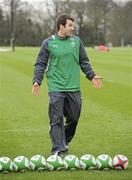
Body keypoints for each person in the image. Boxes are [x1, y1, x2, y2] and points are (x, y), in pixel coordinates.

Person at [32, 15, 102, 157]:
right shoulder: (48, 43)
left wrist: (91, 76)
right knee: (56, 119)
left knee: (74, 118)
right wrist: (37, 81)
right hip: (56, 87)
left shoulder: (76, 42)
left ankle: (64, 141)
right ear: (61, 26)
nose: (73, 28)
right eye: (70, 25)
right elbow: (40, 63)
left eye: (72, 25)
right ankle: (58, 149)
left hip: (73, 87)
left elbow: (84, 61)